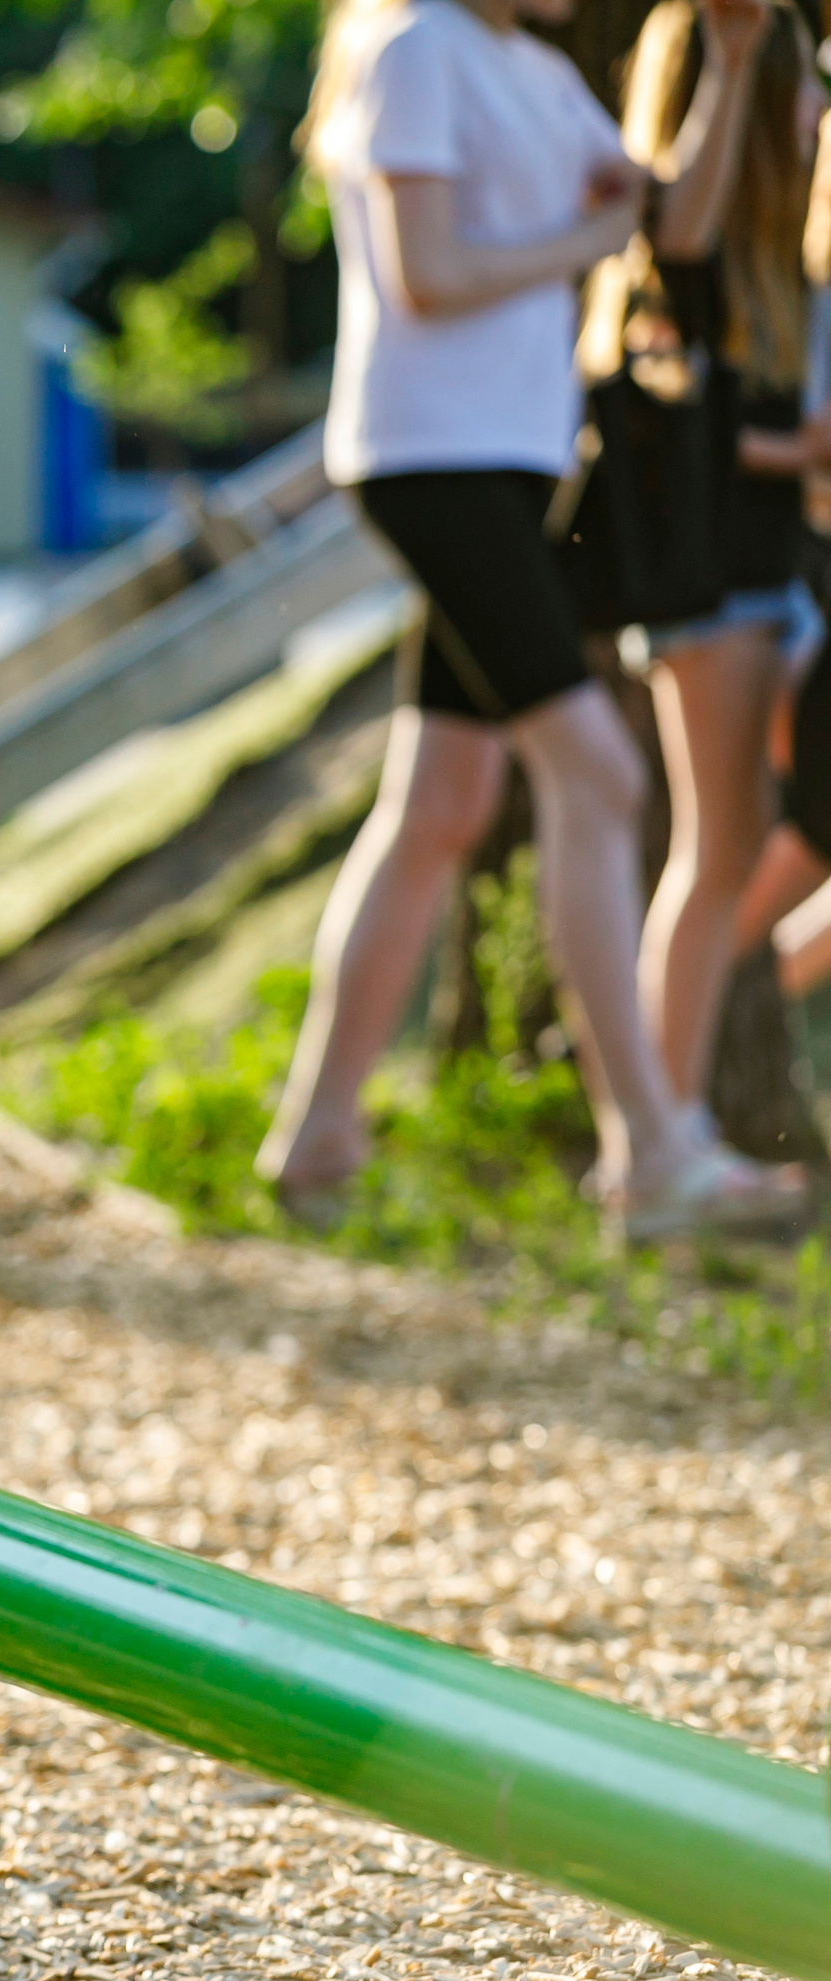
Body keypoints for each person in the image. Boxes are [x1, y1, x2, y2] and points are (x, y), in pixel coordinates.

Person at [260, 0, 808, 1240]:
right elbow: (430, 275)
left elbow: (676, 223)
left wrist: (727, 69)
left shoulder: (535, 73)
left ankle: (316, 1138)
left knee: (441, 801)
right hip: (428, 461)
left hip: (513, 469)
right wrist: (585, 236)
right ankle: (650, 1150)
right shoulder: (416, 50)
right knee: (599, 776)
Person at [599, 2, 828, 1141]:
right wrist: (735, 66)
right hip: (713, 586)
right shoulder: (686, 253)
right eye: (804, 84)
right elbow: (673, 409)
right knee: (715, 851)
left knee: (745, 847)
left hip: (780, 577)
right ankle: (654, 1129)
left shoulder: (791, 256)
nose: (817, 105)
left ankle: (661, 1104)